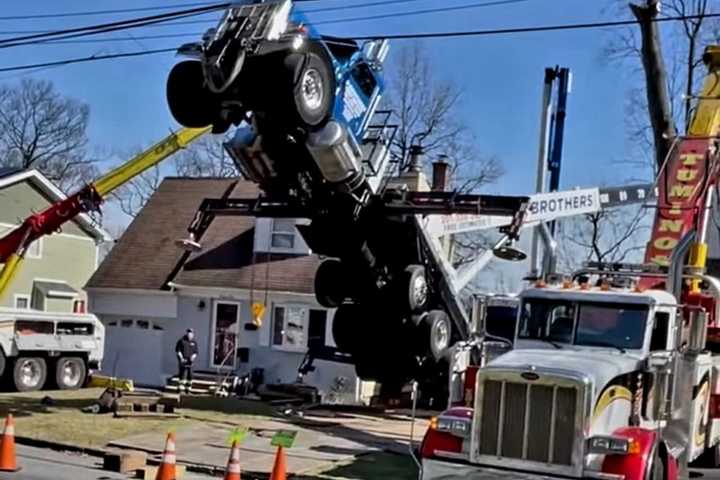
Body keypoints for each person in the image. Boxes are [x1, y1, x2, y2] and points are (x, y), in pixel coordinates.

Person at [175, 328, 198, 394]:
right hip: (183, 360)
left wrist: (193, 357)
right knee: (182, 374)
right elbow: (178, 351)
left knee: (190, 375)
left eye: (191, 333)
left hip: (190, 361)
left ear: (193, 334)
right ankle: (180, 389)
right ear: (187, 333)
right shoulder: (181, 341)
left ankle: (188, 390)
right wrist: (181, 358)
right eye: (189, 333)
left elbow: (196, 352)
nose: (190, 334)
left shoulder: (194, 342)